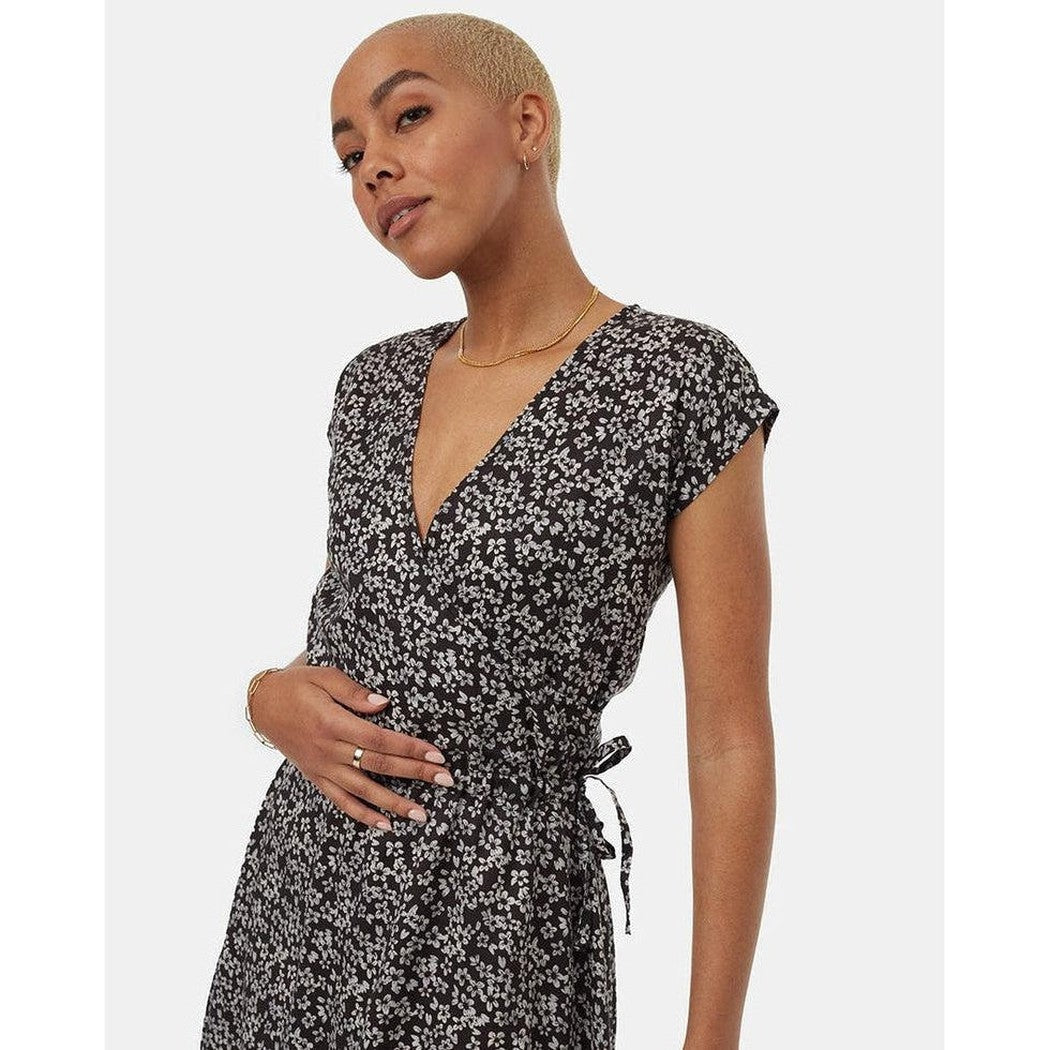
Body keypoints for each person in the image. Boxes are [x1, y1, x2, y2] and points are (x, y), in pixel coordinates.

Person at [201, 13, 780, 1050]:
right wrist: (265, 698)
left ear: (526, 123)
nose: (374, 171)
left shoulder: (680, 381)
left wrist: (712, 1041)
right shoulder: (373, 387)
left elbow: (730, 741)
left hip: (506, 933)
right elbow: (362, 642)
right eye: (349, 157)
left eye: (408, 118)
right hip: (300, 917)